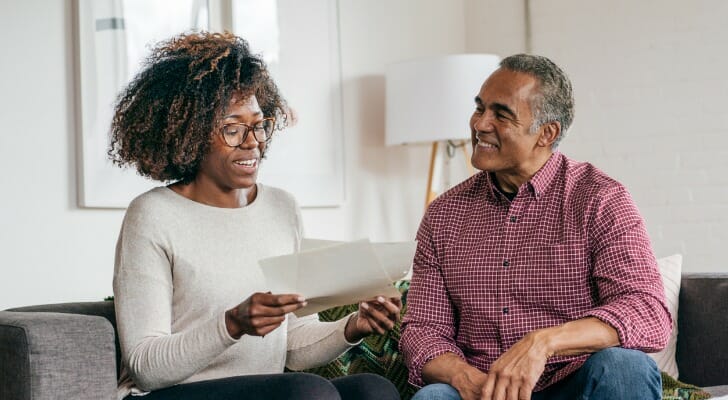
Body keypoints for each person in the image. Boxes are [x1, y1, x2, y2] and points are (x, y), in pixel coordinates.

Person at [109, 32, 401, 400]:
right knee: (306, 393)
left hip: (270, 391)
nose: (253, 142)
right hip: (169, 394)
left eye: (259, 124)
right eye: (232, 129)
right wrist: (232, 324)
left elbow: (292, 343)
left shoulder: (282, 208)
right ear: (191, 134)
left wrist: (353, 326)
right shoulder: (152, 214)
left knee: (373, 390)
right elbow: (145, 367)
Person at [399, 54, 671, 400]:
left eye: (501, 114)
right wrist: (464, 377)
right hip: (483, 391)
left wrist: (543, 342)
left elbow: (646, 311)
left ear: (546, 133)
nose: (480, 124)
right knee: (433, 398)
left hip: (572, 383)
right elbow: (423, 329)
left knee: (625, 368)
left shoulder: (599, 199)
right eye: (479, 108)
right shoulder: (444, 215)